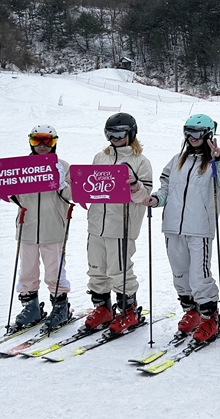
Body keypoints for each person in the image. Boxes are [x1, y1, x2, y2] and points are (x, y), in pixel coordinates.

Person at [143, 114, 220, 344]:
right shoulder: (177, 159)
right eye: (188, 131)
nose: (192, 137)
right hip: (172, 227)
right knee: (180, 275)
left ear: (208, 134)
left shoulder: (215, 163)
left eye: (197, 132)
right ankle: (192, 311)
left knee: (199, 277)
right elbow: (166, 186)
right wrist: (157, 199)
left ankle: (210, 317)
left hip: (200, 228)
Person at [0, 125, 73, 330]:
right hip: (27, 227)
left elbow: (72, 195)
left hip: (53, 228)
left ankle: (60, 306)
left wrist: (63, 185)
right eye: (37, 141)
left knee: (54, 270)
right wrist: (3, 193)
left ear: (54, 143)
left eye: (48, 141)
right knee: (27, 270)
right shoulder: (21, 167)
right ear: (30, 142)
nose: (43, 146)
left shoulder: (62, 166)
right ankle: (30, 306)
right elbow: (16, 194)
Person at [83, 113, 153, 333]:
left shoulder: (140, 161)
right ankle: (102, 307)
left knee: (119, 269)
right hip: (97, 224)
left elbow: (144, 197)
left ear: (131, 133)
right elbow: (92, 185)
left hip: (121, 225)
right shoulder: (99, 157)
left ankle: (128, 309)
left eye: (120, 133)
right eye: (110, 133)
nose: (115, 137)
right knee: (96, 268)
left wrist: (133, 184)